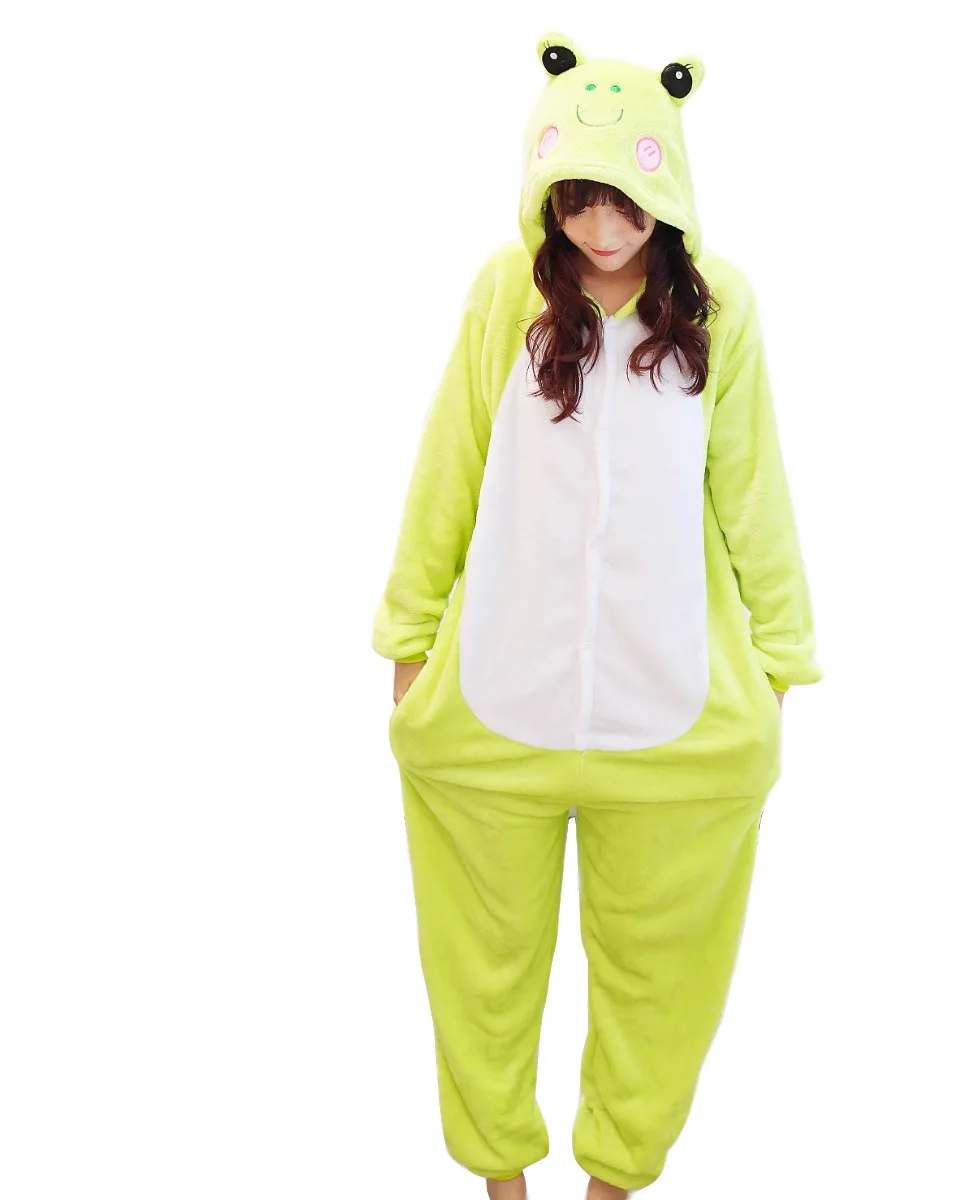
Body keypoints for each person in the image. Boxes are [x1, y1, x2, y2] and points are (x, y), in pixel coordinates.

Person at [371, 31, 823, 1200]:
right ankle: (500, 1180)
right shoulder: (505, 293)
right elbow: (451, 462)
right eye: (576, 198)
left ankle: (614, 1181)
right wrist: (408, 637)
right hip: (494, 704)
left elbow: (752, 486)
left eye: (624, 197)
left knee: (662, 980)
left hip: (674, 716)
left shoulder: (720, 306)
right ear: (546, 190)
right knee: (479, 968)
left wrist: (781, 657)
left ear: (666, 183)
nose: (603, 225)